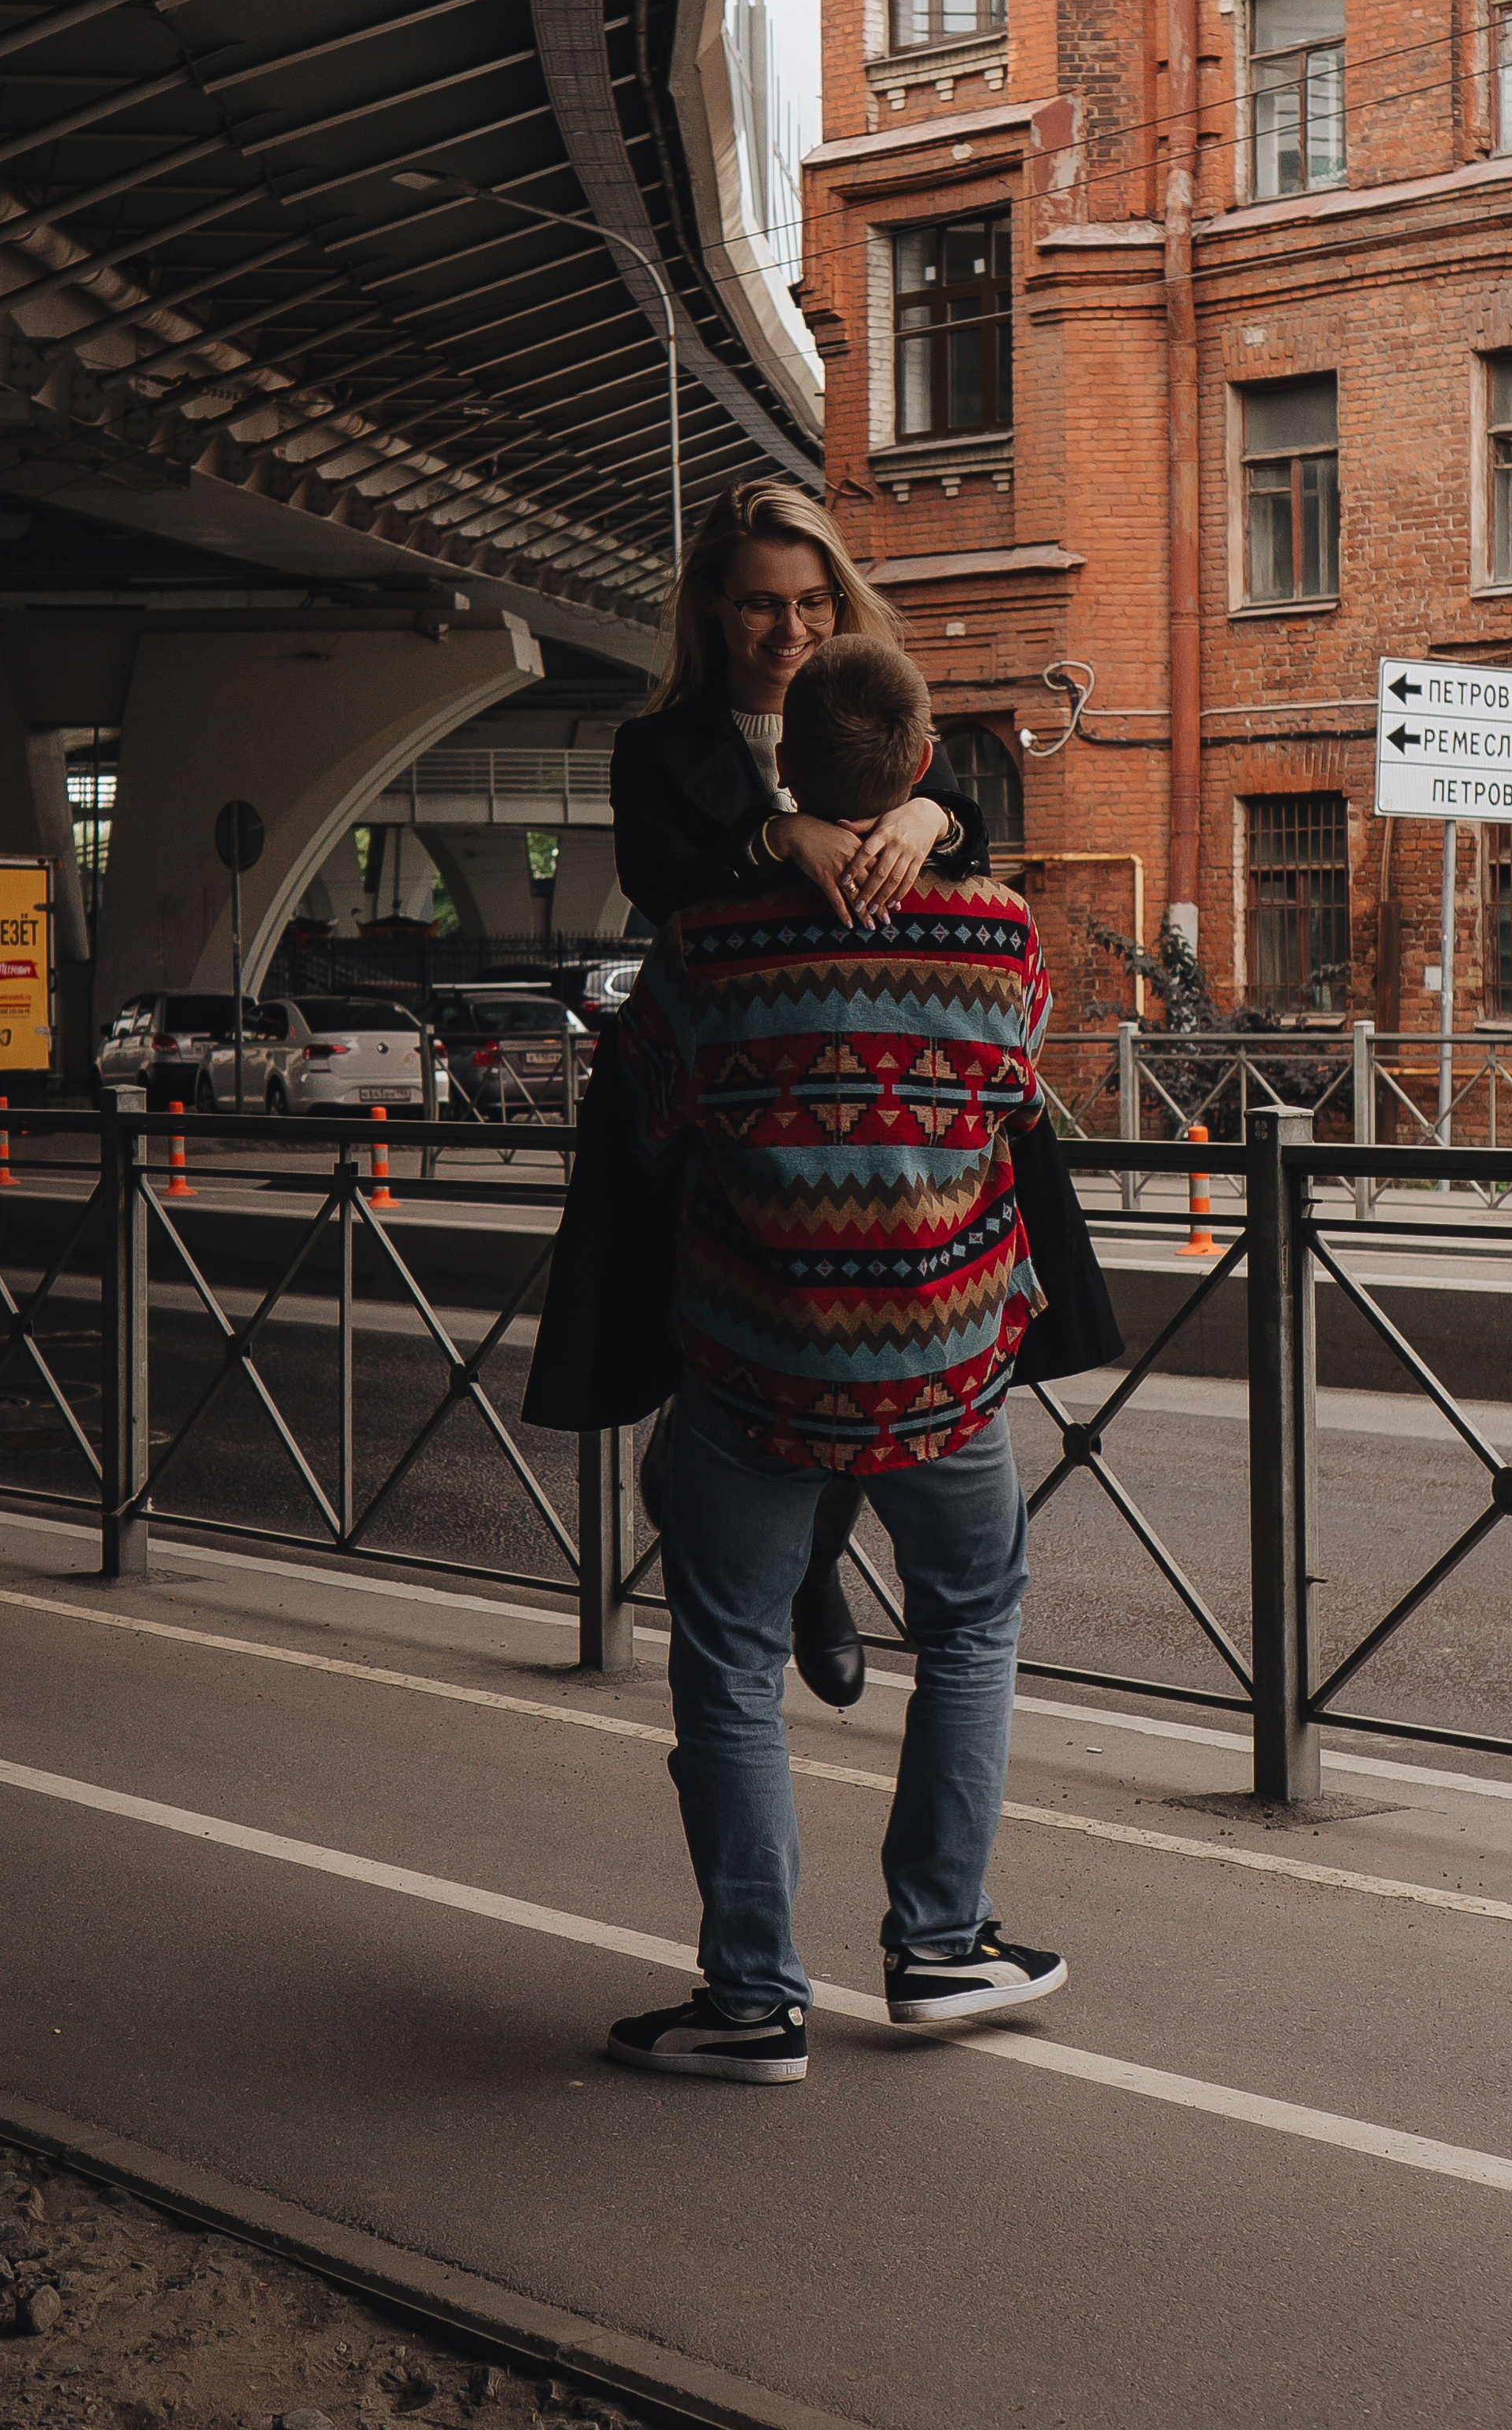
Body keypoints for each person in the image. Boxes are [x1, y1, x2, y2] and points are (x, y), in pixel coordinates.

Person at [605, 635, 1067, 2085]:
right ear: (925, 769)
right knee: (973, 1627)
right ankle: (940, 1945)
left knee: (730, 1661)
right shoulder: (996, 936)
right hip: (947, 1372)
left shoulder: (708, 945)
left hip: (755, 1365)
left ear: (785, 774)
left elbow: (656, 1122)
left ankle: (750, 1997)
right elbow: (1017, 1100)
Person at [607, 481, 989, 1710]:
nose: (791, 633)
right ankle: (796, 1576)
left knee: (843, 1370)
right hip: (726, 1118)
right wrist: (775, 841)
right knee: (722, 1387)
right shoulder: (660, 748)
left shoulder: (874, 701)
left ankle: (812, 1567)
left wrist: (929, 813)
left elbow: (971, 821)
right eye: (762, 607)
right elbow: (662, 881)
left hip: (886, 1115)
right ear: (714, 612)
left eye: (814, 603)